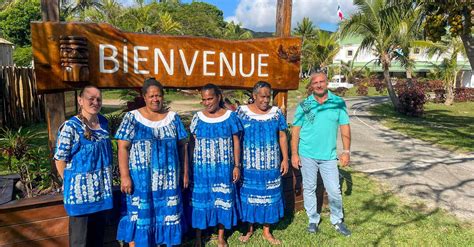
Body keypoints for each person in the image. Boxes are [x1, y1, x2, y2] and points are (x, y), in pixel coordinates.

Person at [115, 78, 188, 247]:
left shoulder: (173, 118)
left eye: (159, 95)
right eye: (152, 96)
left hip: (168, 180)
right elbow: (122, 147)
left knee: (166, 214)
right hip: (142, 181)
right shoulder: (132, 118)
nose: (156, 99)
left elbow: (183, 146)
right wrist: (125, 176)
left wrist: (184, 173)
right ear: (144, 97)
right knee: (140, 215)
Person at [291, 72, 352, 236]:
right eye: (315, 82)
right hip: (307, 153)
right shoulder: (305, 105)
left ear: (327, 83)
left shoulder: (338, 103)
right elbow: (296, 130)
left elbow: (345, 126)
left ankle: (337, 220)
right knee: (309, 187)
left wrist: (346, 151)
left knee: (334, 190)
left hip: (329, 156)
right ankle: (313, 219)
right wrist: (294, 154)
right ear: (311, 85)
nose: (318, 85)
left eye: (322, 81)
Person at [54, 85, 113, 247]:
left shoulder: (103, 123)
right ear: (80, 101)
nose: (95, 102)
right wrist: (69, 183)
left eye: (98, 99)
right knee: (80, 242)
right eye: (91, 99)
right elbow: (60, 158)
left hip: (101, 194)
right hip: (81, 198)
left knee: (97, 240)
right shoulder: (71, 127)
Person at [189, 84, 242, 247]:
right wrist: (192, 165)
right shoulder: (197, 117)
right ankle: (199, 237)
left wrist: (236, 165)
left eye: (210, 98)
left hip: (224, 168)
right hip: (202, 170)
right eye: (203, 99)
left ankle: (221, 236)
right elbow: (193, 142)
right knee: (201, 201)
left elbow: (236, 142)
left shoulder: (230, 117)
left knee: (222, 200)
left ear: (218, 97)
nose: (207, 102)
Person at [236, 81, 289, 245]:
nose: (266, 100)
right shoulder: (242, 113)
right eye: (262, 96)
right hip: (249, 166)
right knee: (250, 198)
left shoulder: (276, 113)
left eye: (268, 96)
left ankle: (267, 231)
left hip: (271, 165)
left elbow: (282, 136)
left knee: (270, 197)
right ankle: (249, 229)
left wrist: (285, 158)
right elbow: (236, 137)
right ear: (254, 96)